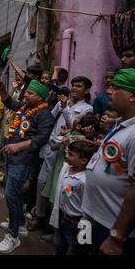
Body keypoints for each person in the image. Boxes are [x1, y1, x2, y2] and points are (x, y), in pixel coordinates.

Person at [82, 68, 135, 255]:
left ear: (133, 95)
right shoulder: (125, 123)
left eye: (116, 88)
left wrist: (116, 238)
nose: (109, 91)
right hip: (96, 219)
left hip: (115, 230)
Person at [0, 79, 54, 253]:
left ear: (41, 97)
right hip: (12, 157)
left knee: (12, 195)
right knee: (16, 195)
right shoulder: (26, 107)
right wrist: (2, 90)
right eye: (26, 92)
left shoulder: (45, 114)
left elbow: (41, 139)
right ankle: (20, 225)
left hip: (24, 160)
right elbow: (10, 102)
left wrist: (18, 146)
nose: (26, 95)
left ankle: (13, 237)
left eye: (30, 93)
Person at [31, 76, 93, 232]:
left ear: (86, 90)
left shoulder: (86, 109)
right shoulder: (60, 103)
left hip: (67, 152)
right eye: (73, 85)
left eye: (79, 86)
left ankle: (53, 225)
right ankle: (39, 216)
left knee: (58, 188)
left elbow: (75, 125)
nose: (74, 88)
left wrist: (65, 108)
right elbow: (49, 119)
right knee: (41, 182)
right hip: (52, 146)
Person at [49, 140, 97, 255]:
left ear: (84, 160)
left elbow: (89, 206)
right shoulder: (67, 168)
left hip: (77, 225)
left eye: (70, 154)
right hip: (63, 218)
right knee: (59, 247)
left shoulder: (85, 181)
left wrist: (85, 231)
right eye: (67, 152)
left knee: (76, 251)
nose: (66, 155)